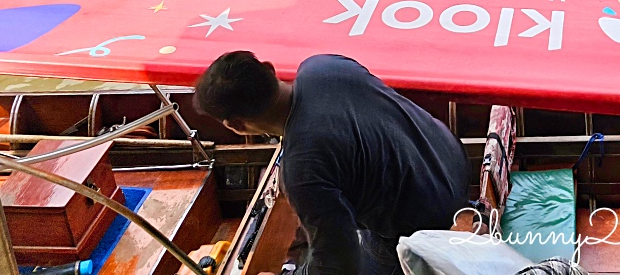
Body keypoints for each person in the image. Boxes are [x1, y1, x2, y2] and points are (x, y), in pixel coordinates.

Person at [194, 52, 470, 275]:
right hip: (451, 163)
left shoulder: (302, 171)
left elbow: (338, 263)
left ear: (236, 126)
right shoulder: (324, 65)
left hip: (427, 224)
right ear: (269, 69)